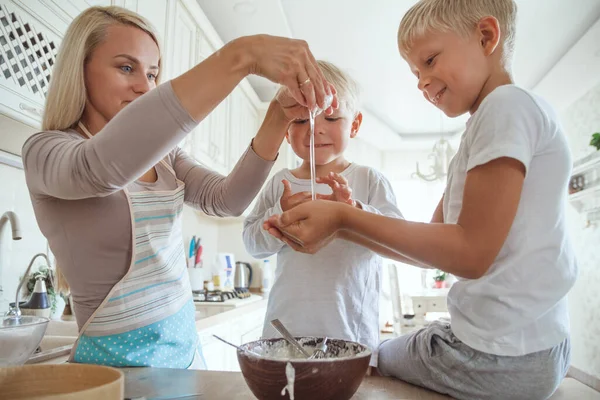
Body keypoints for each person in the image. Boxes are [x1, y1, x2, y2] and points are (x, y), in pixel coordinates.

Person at [264, 0, 577, 398]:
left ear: (486, 36)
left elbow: (470, 255)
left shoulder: (504, 106)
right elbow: (430, 245)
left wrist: (343, 219)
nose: (421, 82)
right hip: (533, 348)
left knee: (371, 357)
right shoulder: (491, 126)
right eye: (415, 72)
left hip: (499, 356)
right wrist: (347, 218)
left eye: (429, 60)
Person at [22, 6, 336, 369]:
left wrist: (278, 116)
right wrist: (241, 56)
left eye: (153, 73)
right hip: (113, 372)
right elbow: (101, 168)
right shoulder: (45, 151)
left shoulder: (166, 157)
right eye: (126, 67)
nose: (144, 85)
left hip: (186, 358)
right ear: (80, 70)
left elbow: (227, 200)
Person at [243, 60, 403, 366]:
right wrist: (279, 214)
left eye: (330, 117)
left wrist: (354, 211)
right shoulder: (280, 183)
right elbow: (252, 244)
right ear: (286, 132)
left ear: (354, 125)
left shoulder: (370, 181)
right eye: (301, 120)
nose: (315, 129)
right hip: (284, 334)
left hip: (351, 336)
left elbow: (398, 238)